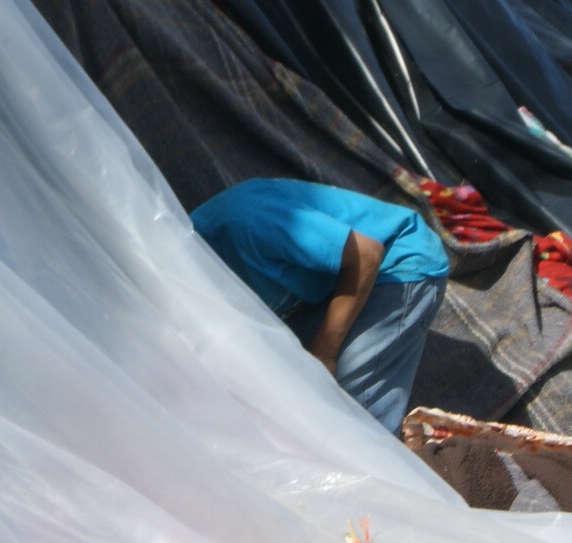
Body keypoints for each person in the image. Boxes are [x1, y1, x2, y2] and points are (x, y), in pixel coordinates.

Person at [189, 178, 450, 432]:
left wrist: (324, 354)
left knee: (342, 411)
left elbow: (366, 255)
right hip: (330, 284)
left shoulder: (247, 221)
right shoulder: (189, 284)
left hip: (397, 262)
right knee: (294, 390)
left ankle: (374, 457)